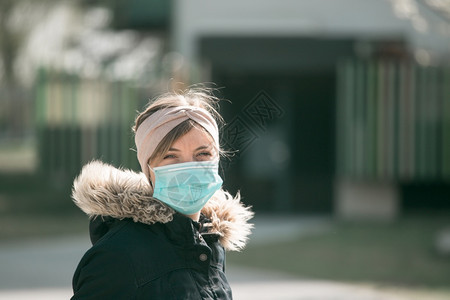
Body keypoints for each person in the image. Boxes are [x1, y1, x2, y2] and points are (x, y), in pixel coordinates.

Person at [70, 88, 254, 299]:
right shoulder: (117, 255)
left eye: (203, 153)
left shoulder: (209, 245)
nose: (189, 168)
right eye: (170, 156)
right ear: (149, 169)